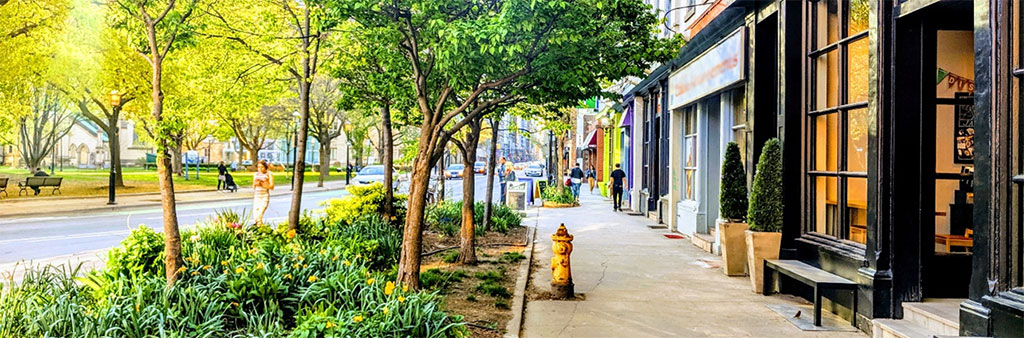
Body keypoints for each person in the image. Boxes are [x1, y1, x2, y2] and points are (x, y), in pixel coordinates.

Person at [252, 160, 275, 226]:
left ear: (265, 167)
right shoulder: (256, 174)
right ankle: (260, 230)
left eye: (262, 167)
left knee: (259, 215)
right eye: (258, 167)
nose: (260, 169)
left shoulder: (269, 174)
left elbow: (271, 186)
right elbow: (253, 186)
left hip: (264, 196)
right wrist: (256, 183)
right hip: (257, 196)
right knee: (256, 216)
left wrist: (262, 183)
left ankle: (261, 229)